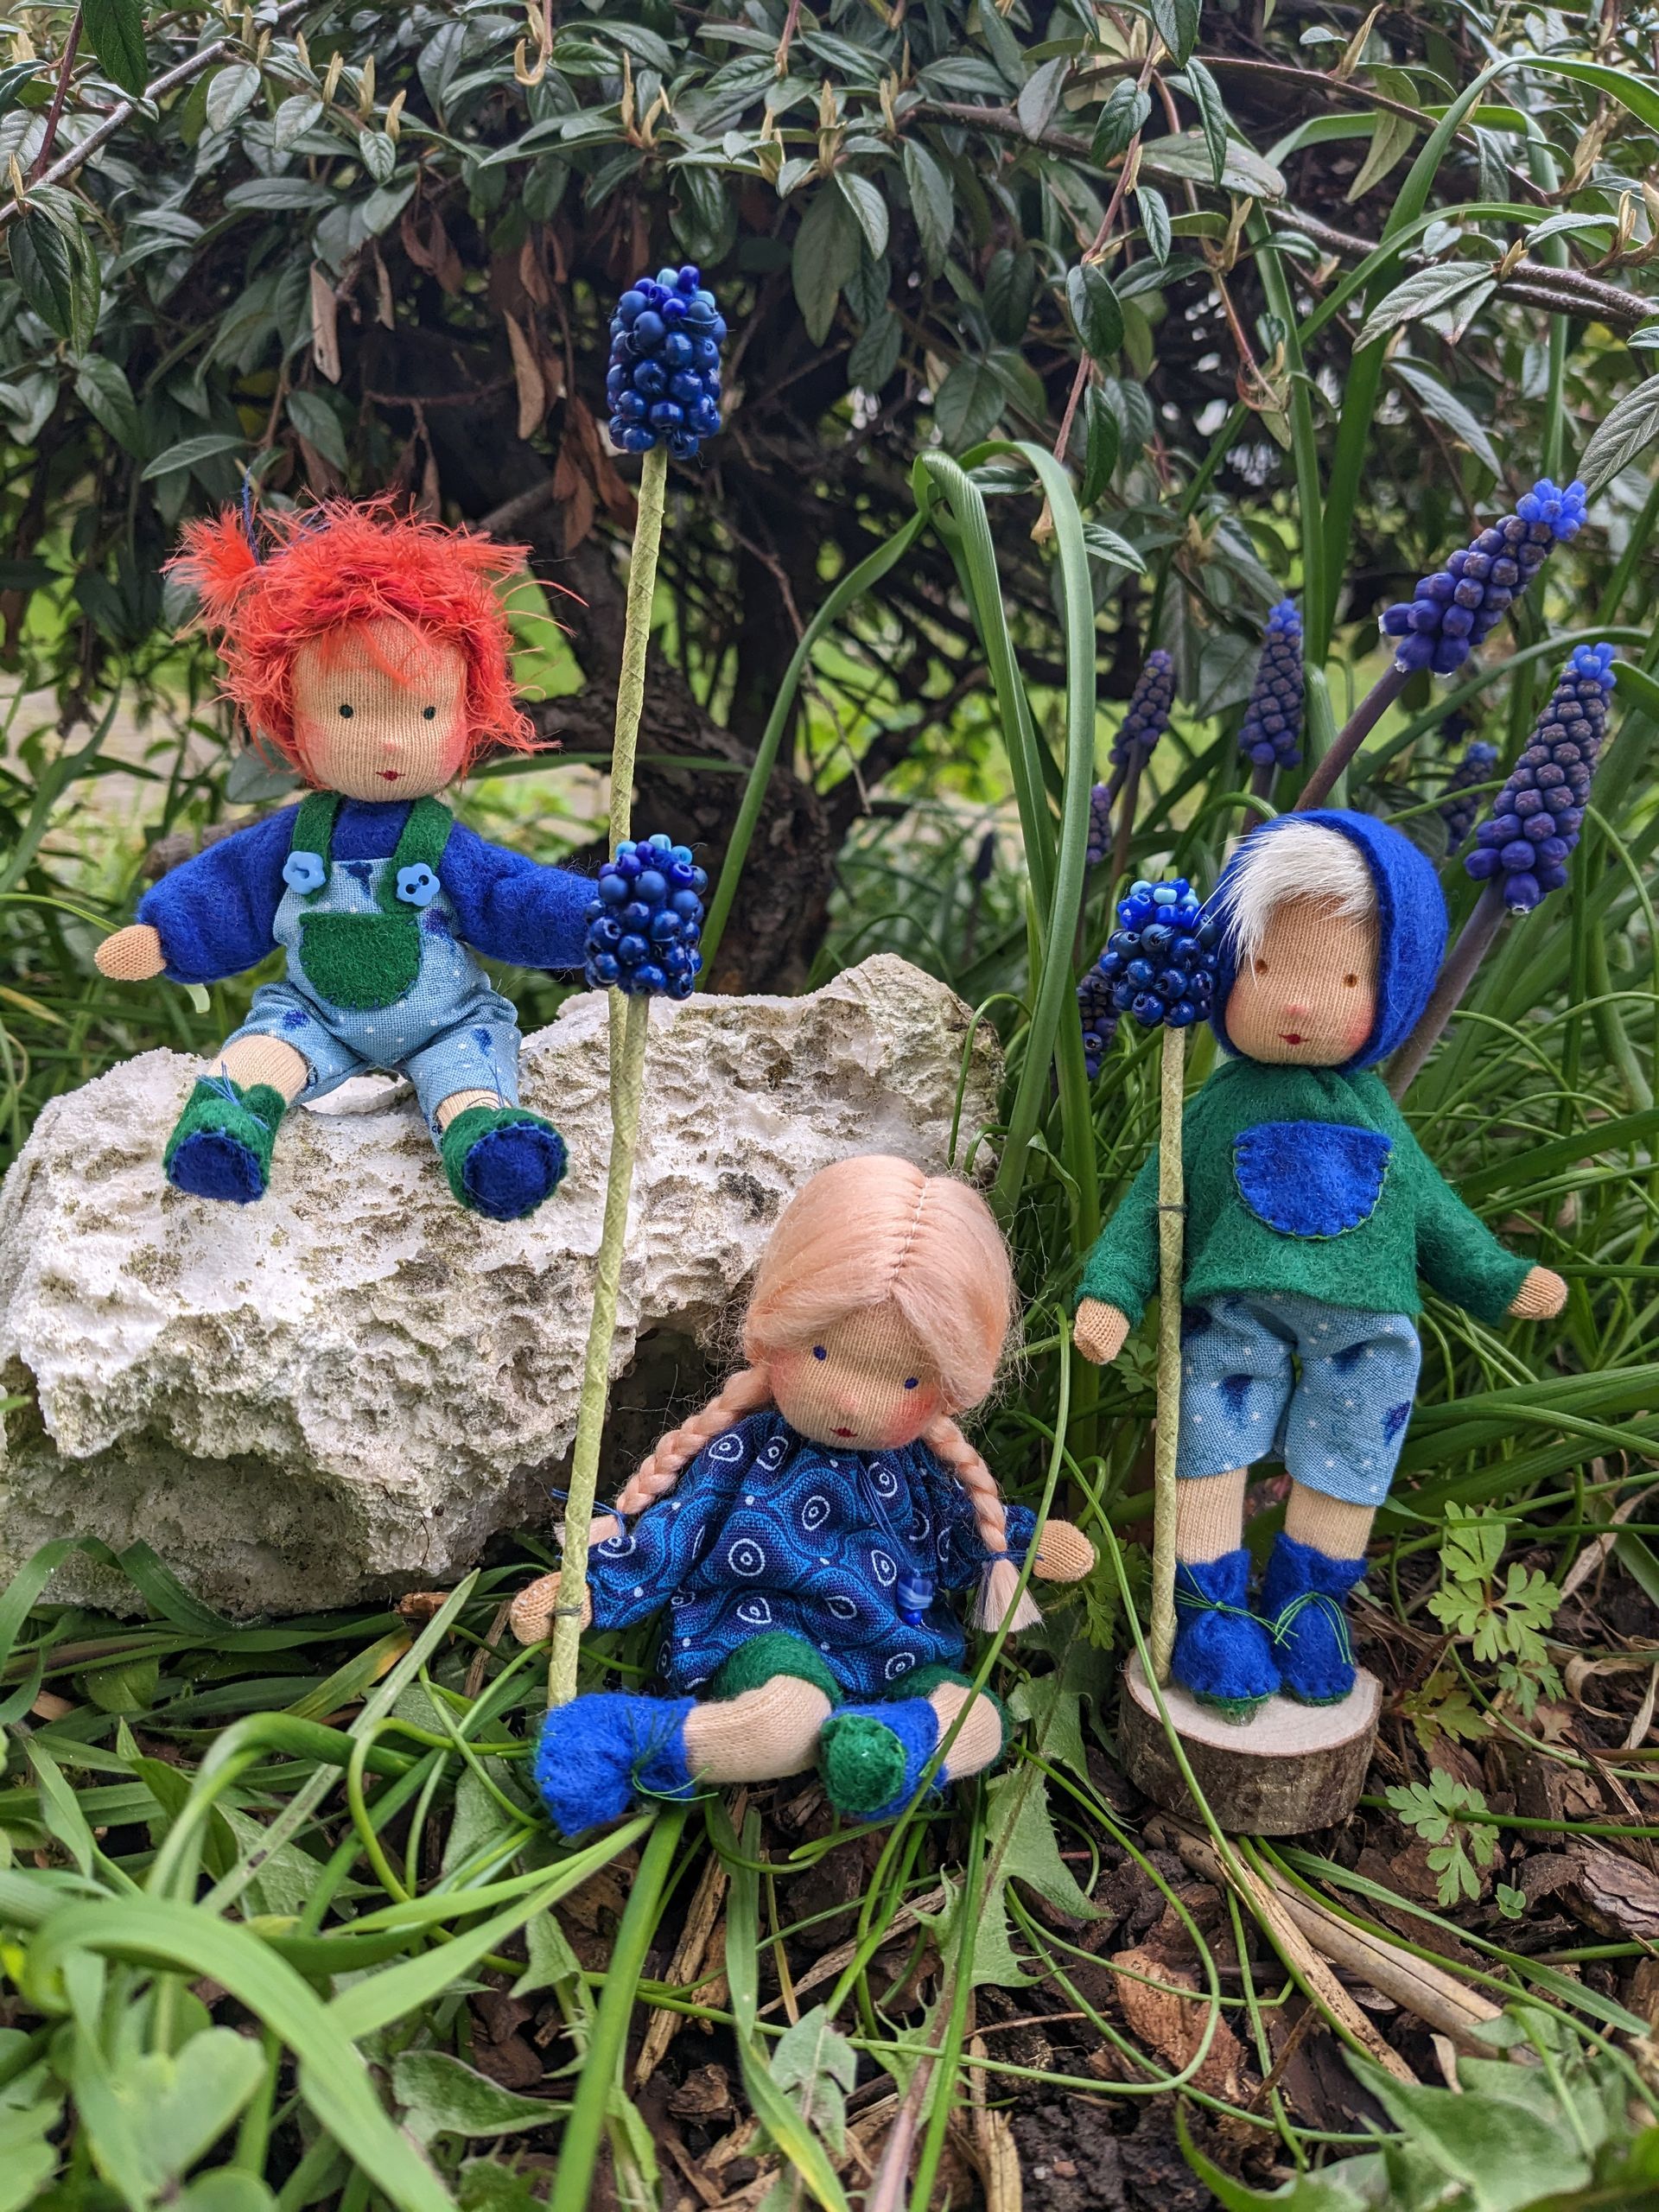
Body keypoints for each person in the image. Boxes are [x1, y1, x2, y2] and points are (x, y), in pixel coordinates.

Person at [1074, 811, 1566, 1717]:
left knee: (1352, 1453)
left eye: (1343, 979)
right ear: (1227, 971)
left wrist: (1496, 1277)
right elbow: (1153, 1201)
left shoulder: (1372, 1112)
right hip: (1232, 1319)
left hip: (1366, 1328)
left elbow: (1433, 1213)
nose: (1297, 1004)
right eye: (1264, 970)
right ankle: (1212, 1609)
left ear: (1394, 991)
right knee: (1207, 1442)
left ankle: (1311, 1607)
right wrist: (1112, 1290)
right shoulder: (1216, 1105)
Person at [512, 1154, 1095, 1833]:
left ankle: (890, 1750)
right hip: (770, 1633)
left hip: (898, 1646)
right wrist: (589, 1589)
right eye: (822, 1353)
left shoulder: (921, 1476)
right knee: (787, 1720)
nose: (851, 1400)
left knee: (980, 1720)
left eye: (908, 1381)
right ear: (779, 1333)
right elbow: (678, 1530)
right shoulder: (747, 1452)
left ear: (947, 1390)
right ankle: (621, 1737)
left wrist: (1028, 1544)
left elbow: (961, 1541)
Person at [94, 500, 611, 1220]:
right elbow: (233, 890)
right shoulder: (293, 836)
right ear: (294, 716)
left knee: (467, 1067)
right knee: (266, 1047)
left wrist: (597, 920)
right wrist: (168, 935)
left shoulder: (446, 845)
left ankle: (482, 1139)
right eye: (347, 711)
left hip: (445, 1021)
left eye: (424, 714)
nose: (391, 741)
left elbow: (509, 898)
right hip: (315, 1014)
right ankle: (229, 1125)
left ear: (464, 719)